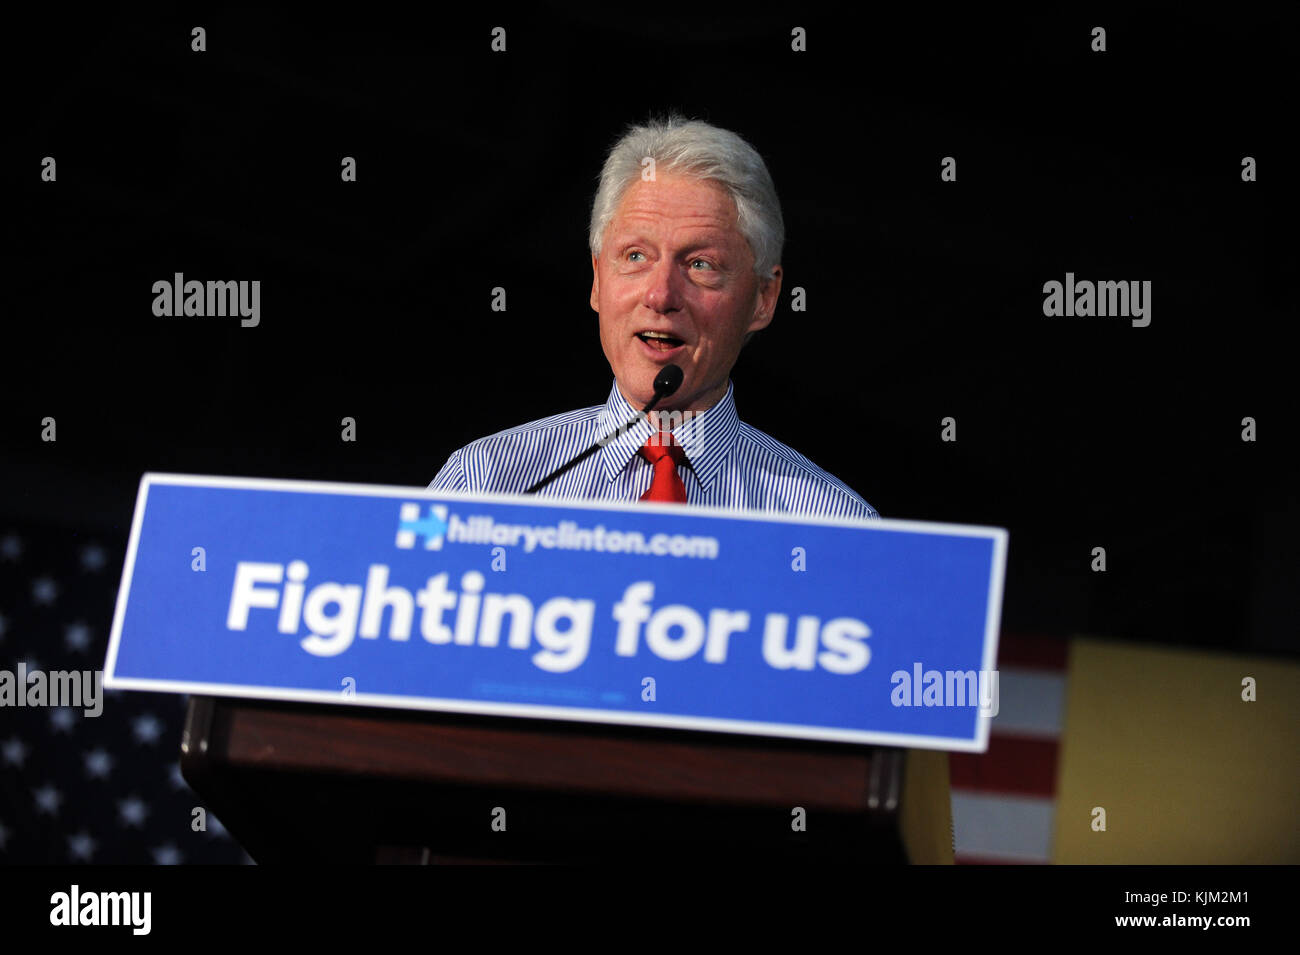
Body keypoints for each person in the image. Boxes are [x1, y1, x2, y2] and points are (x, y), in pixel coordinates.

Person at [429, 113, 878, 520]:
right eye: (636, 255)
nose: (661, 295)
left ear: (764, 297)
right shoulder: (486, 484)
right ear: (598, 280)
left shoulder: (834, 525)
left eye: (701, 264)